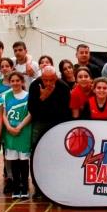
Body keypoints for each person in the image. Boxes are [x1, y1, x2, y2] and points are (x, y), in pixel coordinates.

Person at [28, 67, 73, 197]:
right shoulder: (35, 85)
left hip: (57, 124)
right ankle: (38, 187)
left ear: (56, 78)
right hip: (40, 123)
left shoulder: (63, 87)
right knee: (37, 155)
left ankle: (57, 184)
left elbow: (65, 111)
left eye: (51, 80)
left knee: (57, 155)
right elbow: (32, 109)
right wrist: (42, 97)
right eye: (45, 80)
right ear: (41, 77)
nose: (48, 83)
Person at [3, 71, 33, 199]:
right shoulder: (5, 96)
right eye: (12, 81)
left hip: (24, 131)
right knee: (13, 162)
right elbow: (3, 114)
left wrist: (20, 126)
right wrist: (9, 127)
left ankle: (25, 187)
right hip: (10, 132)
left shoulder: (28, 96)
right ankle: (16, 187)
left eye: (17, 80)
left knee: (23, 162)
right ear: (9, 83)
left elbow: (30, 114)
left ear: (22, 82)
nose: (15, 83)